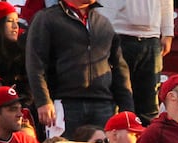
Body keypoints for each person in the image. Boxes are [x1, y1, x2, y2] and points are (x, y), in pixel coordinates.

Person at [24, 0, 131, 132]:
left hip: (103, 104)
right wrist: (43, 101)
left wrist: (127, 109)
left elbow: (119, 67)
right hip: (64, 104)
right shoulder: (47, 18)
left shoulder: (104, 23)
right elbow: (35, 63)